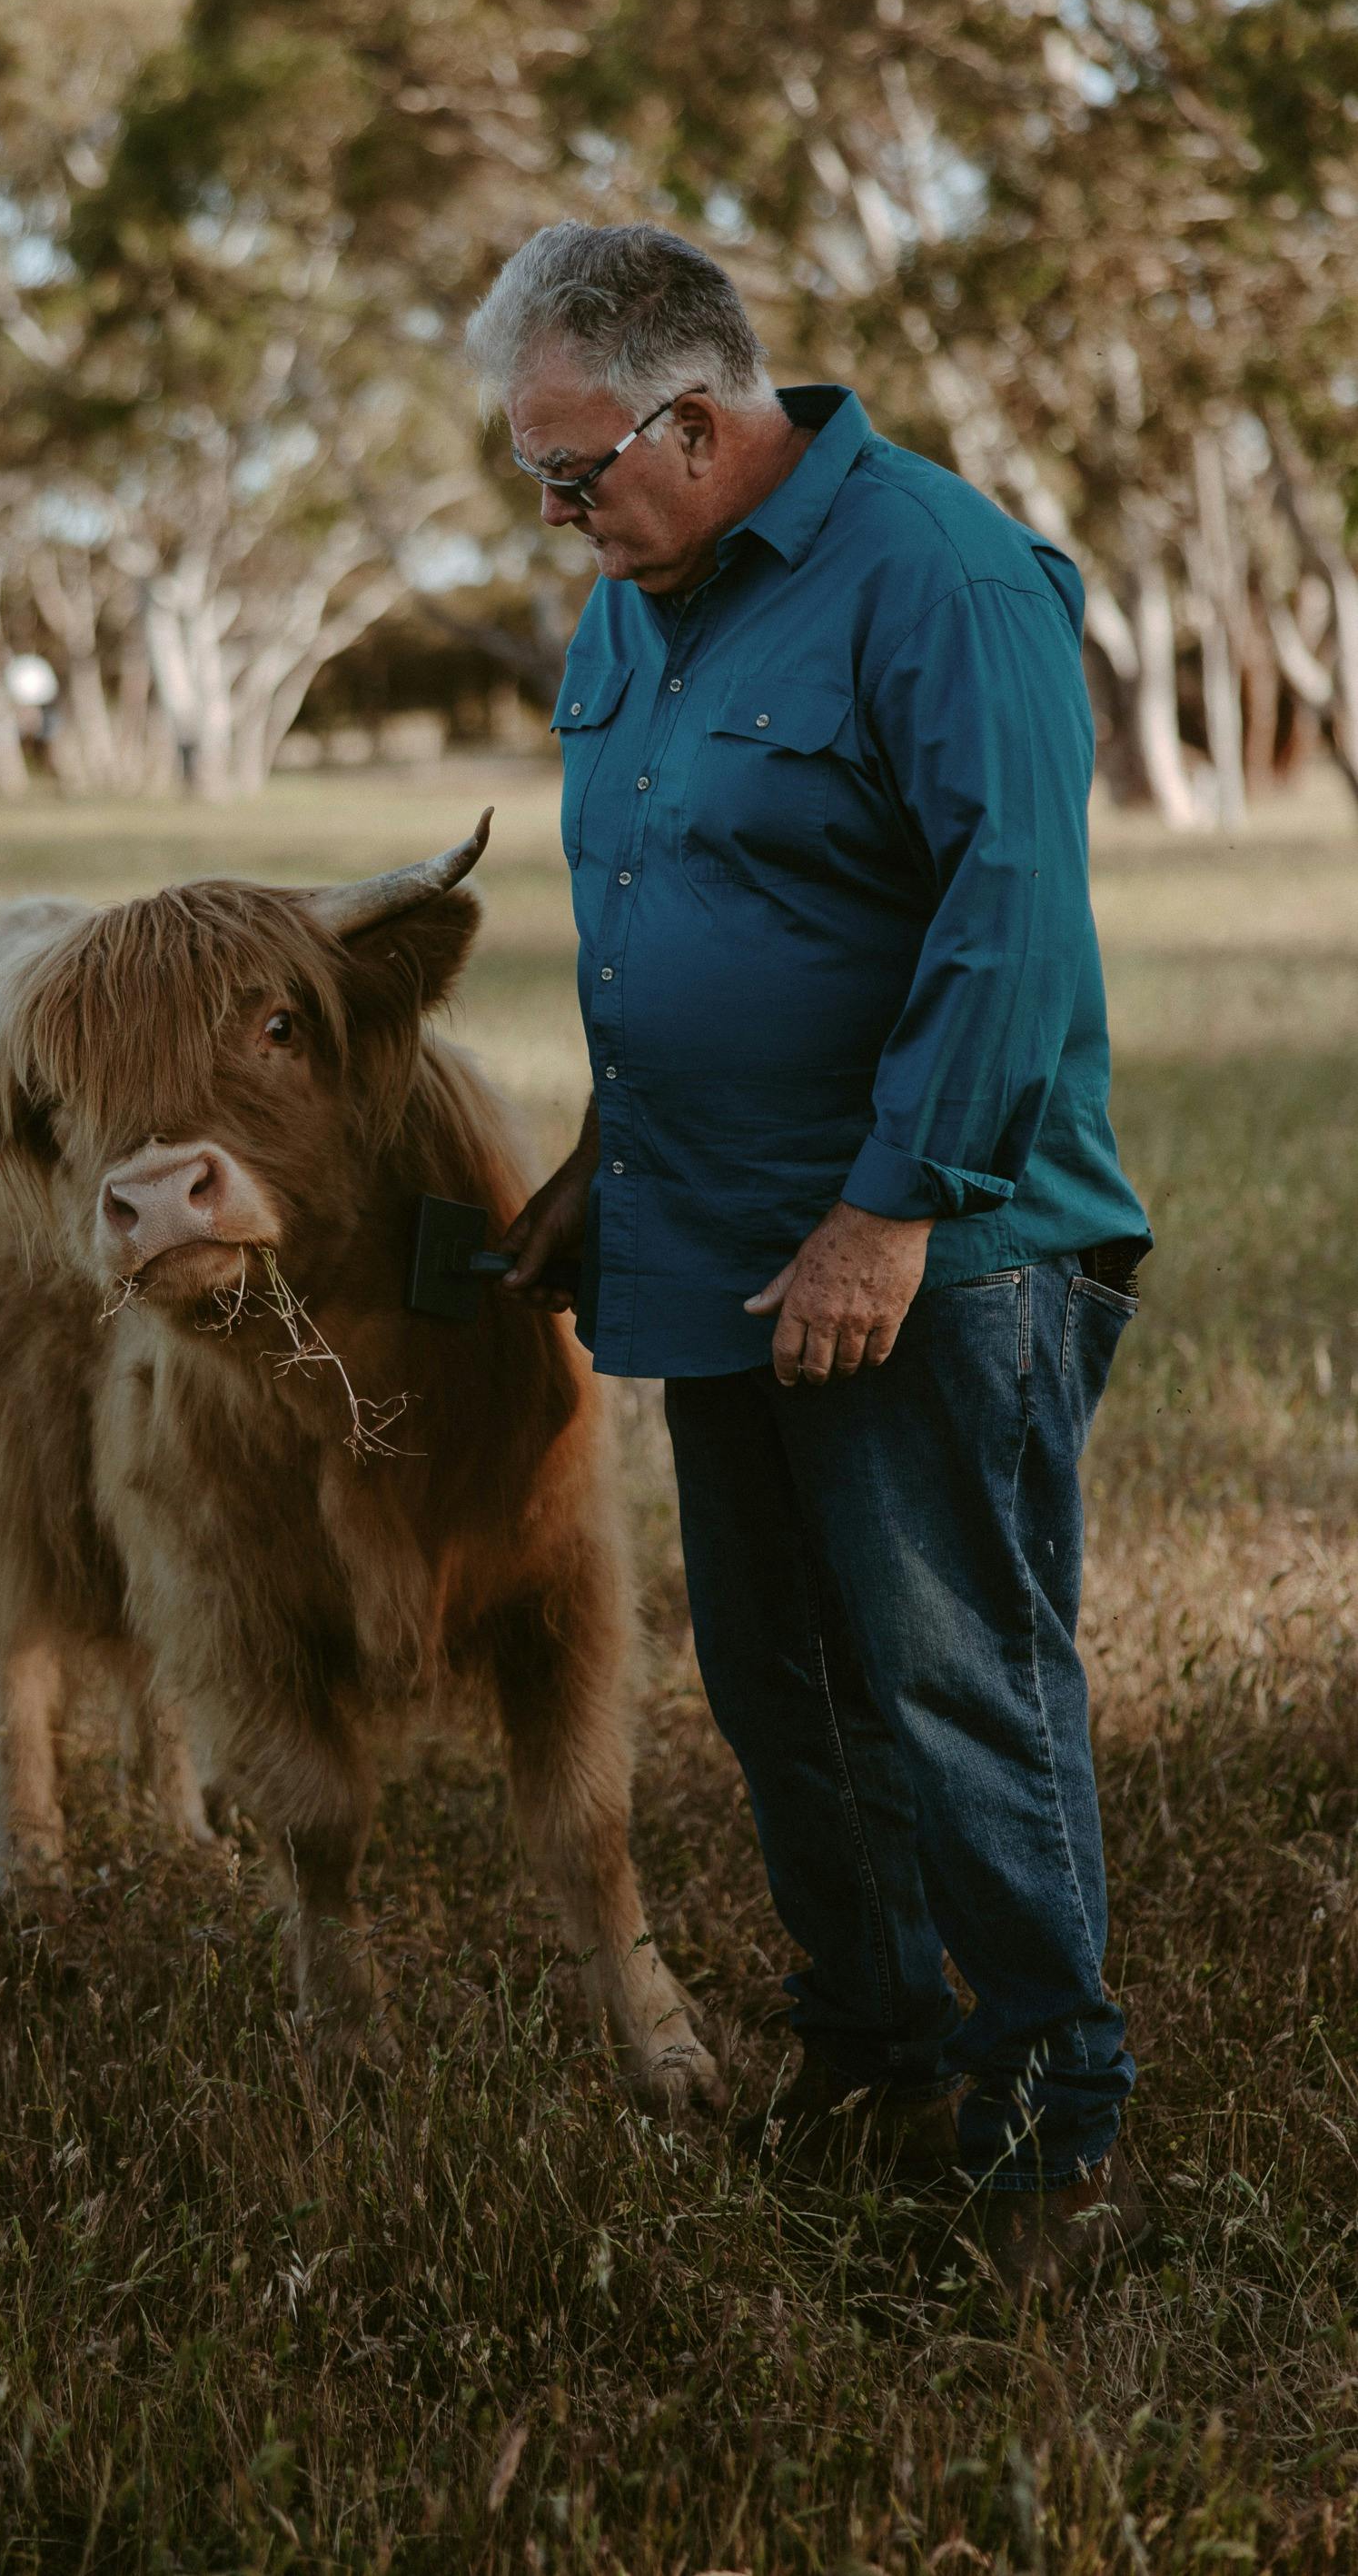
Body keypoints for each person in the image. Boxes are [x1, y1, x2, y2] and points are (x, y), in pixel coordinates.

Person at [473, 221, 1152, 2303]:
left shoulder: (942, 579)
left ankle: (1052, 2136)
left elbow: (1011, 912)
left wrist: (891, 1205)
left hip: (938, 1248)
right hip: (708, 1244)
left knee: (958, 1680)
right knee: (787, 1691)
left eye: (575, 471)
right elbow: (659, 912)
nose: (559, 516)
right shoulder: (631, 605)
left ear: (699, 415)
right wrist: (607, 1156)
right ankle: (876, 2052)